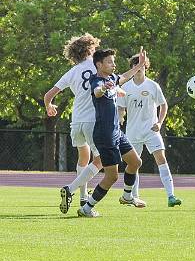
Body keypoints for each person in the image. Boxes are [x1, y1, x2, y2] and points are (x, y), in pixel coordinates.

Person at [77, 47, 148, 218]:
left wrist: (139, 65)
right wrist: (103, 88)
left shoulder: (112, 78)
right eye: (109, 62)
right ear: (99, 64)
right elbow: (97, 91)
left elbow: (124, 76)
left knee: (135, 162)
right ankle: (86, 208)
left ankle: (127, 196)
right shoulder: (97, 80)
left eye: (114, 62)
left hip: (116, 132)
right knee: (112, 177)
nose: (113, 65)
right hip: (104, 135)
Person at [44, 34, 104, 213]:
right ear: (89, 49)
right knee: (101, 160)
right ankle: (71, 189)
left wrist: (49, 107)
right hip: (93, 120)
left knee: (83, 158)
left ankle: (84, 197)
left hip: (76, 121)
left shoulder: (72, 72)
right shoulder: (97, 65)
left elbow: (48, 95)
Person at [117, 53, 182, 207]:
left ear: (145, 67)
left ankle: (171, 196)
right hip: (132, 132)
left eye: (141, 66)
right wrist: (120, 117)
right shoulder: (125, 87)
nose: (138, 69)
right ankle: (134, 197)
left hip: (151, 131)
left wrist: (159, 123)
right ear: (132, 68)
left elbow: (163, 105)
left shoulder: (153, 86)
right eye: (135, 66)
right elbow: (120, 107)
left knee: (162, 159)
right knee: (134, 164)